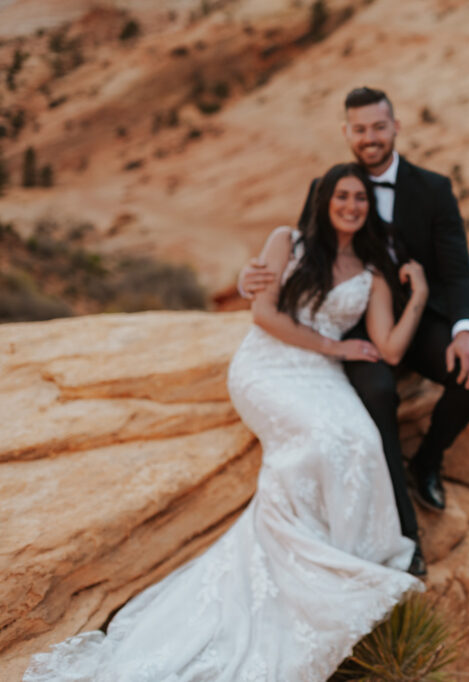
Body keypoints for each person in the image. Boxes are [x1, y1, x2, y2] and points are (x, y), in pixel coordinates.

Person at [24, 164, 426, 682]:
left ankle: (346, 556)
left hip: (322, 375)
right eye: (342, 196)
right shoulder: (289, 241)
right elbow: (263, 315)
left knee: (361, 439)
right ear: (325, 198)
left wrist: (416, 296)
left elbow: (389, 348)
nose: (351, 206)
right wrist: (334, 345)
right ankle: (304, 558)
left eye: (360, 199)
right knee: (317, 439)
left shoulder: (372, 272)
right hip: (269, 366)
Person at [240, 88, 469, 576]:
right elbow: (301, 260)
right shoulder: (329, 186)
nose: (369, 137)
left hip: (419, 322)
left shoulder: (433, 189)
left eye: (378, 127)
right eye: (360, 129)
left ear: (394, 127)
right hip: (354, 328)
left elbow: (457, 270)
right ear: (347, 133)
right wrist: (248, 279)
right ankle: (405, 533)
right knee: (377, 399)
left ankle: (428, 462)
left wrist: (465, 329)